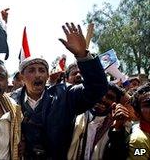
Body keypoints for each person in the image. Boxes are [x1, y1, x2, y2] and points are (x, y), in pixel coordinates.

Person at [10, 22, 108, 159]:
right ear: (22, 77)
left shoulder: (65, 94)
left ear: (47, 75)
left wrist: (82, 56)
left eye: (42, 70)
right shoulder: (10, 101)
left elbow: (97, 88)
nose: (38, 74)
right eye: (32, 70)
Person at [67, 82, 130, 160]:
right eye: (99, 94)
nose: (103, 99)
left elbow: (118, 155)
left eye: (110, 97)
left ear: (116, 103)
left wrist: (117, 130)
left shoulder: (118, 125)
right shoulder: (75, 117)